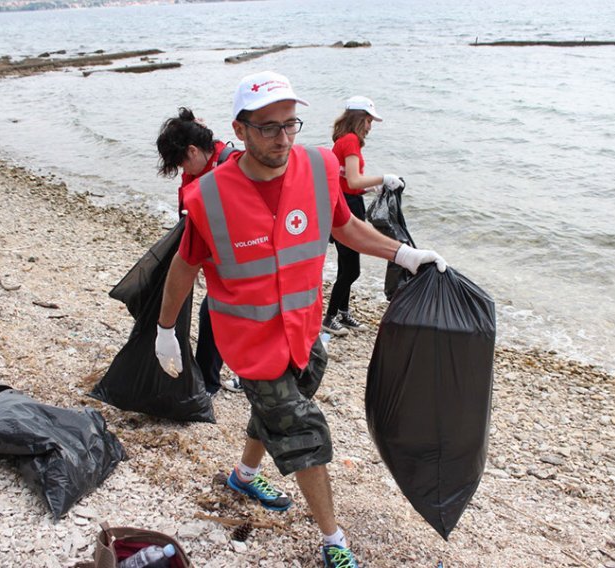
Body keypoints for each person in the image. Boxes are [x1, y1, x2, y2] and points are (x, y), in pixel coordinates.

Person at [154, 71, 446, 568]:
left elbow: (346, 226)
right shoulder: (208, 197)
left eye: (290, 124)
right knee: (303, 428)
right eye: (268, 127)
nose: (283, 138)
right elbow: (184, 264)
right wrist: (165, 332)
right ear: (240, 129)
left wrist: (404, 256)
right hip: (250, 342)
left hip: (305, 332)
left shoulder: (318, 167)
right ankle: (334, 542)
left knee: (278, 410)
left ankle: (243, 476)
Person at [155, 107, 242, 396]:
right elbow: (189, 215)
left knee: (217, 315)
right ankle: (213, 378)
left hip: (242, 266)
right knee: (214, 315)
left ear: (192, 151)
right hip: (215, 262)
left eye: (181, 163)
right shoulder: (197, 169)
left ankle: (218, 381)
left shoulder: (230, 165)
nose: (182, 170)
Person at [322, 95, 404, 336]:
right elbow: (355, 178)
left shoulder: (342, 140)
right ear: (358, 118)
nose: (370, 126)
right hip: (347, 207)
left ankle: (344, 313)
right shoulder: (350, 141)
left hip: (343, 200)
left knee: (345, 264)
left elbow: (348, 180)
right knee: (351, 270)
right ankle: (329, 317)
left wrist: (370, 188)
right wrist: (384, 178)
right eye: (368, 120)